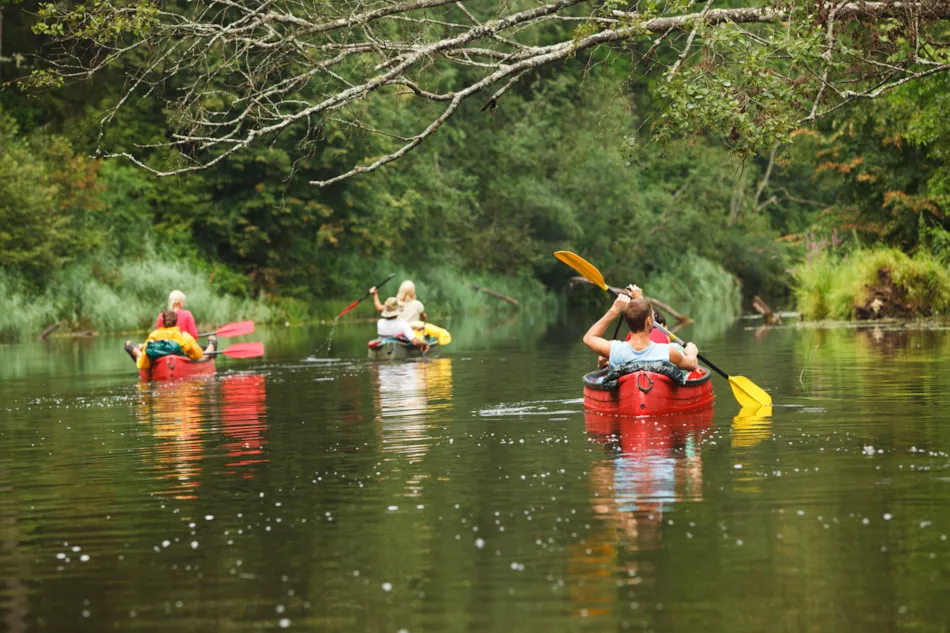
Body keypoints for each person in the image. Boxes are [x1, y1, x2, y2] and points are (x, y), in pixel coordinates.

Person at [584, 284, 698, 371]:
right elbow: (692, 365)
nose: (654, 317)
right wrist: (691, 352)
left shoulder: (614, 350)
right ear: (649, 321)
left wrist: (614, 310)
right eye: (653, 315)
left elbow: (588, 338)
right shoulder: (668, 352)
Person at [125, 309, 217, 370]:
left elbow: (144, 360)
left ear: (162, 322)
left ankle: (133, 349)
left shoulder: (154, 335)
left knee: (140, 352)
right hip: (180, 366)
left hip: (158, 365)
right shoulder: (184, 337)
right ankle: (212, 344)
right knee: (205, 354)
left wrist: (139, 356)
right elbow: (197, 354)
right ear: (176, 321)